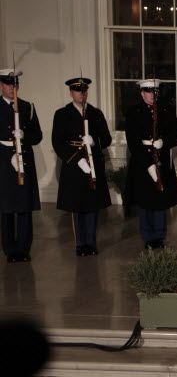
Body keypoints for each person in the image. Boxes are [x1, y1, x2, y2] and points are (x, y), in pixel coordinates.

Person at [51, 76, 112, 256]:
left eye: (84, 91)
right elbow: (58, 142)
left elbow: (106, 138)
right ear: (71, 93)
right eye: (77, 90)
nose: (81, 94)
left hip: (93, 164)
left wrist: (94, 141)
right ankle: (80, 244)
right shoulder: (62, 114)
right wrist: (77, 159)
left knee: (92, 204)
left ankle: (91, 242)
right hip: (74, 166)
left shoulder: (95, 113)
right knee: (77, 205)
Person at [123, 79, 177, 250]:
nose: (152, 95)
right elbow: (133, 142)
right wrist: (148, 164)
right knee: (145, 200)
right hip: (142, 161)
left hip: (161, 158)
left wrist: (164, 142)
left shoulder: (166, 110)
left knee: (160, 200)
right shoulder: (133, 112)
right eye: (149, 92)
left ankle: (159, 235)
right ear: (142, 93)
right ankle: (147, 236)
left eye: (155, 92)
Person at [0, 68, 42, 263]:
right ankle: (10, 249)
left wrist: (25, 136)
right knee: (7, 207)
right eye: (8, 84)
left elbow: (37, 136)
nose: (12, 88)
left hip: (24, 159)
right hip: (3, 161)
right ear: (2, 85)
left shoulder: (27, 107)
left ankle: (24, 248)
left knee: (24, 206)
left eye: (15, 84)